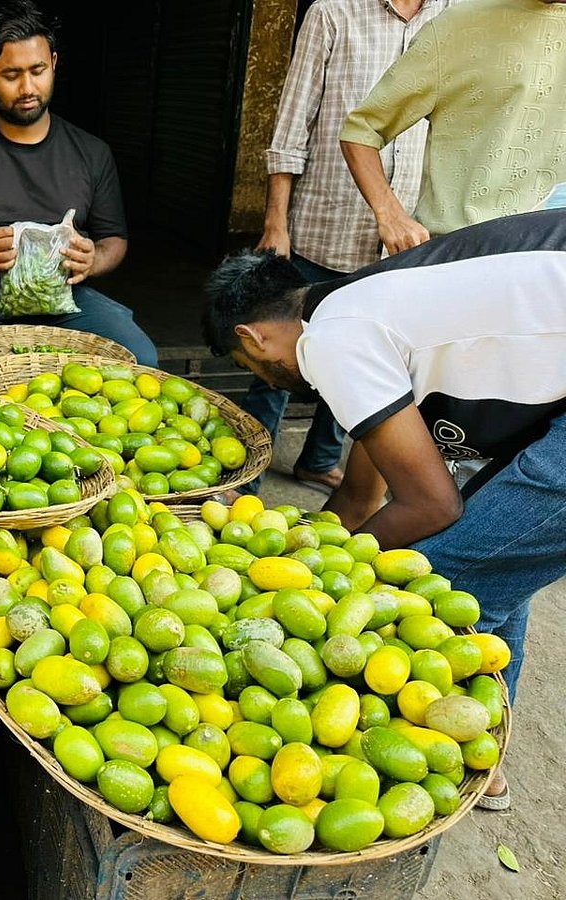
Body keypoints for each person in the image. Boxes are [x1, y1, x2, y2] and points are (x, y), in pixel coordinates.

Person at [203, 208, 566, 810]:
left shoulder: (333, 340)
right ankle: (484, 752)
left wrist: (343, 575)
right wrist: (309, 548)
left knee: (442, 578)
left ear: (251, 337)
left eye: (250, 370)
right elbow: (364, 492)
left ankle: (452, 752)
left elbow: (431, 503)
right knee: (496, 560)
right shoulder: (368, 300)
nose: (269, 378)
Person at [245, 0, 453, 494]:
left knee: (363, 359)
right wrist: (276, 222)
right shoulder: (332, 12)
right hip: (325, 224)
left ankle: (319, 459)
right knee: (278, 353)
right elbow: (292, 128)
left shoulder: (454, 15)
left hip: (404, 238)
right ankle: (246, 474)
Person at [0, 0, 158, 366]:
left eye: (37, 70)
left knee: (140, 357)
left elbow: (114, 239)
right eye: (11, 75)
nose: (27, 87)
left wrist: (92, 259)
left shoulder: (92, 152)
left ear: (53, 64)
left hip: (67, 301)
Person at [340, 0, 566, 256]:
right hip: (460, 258)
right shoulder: (458, 26)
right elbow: (362, 129)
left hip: (554, 262)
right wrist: (389, 213)